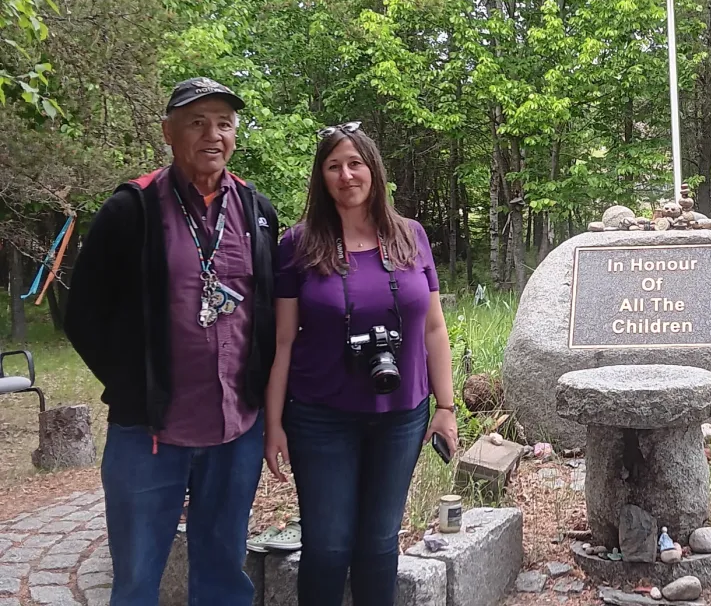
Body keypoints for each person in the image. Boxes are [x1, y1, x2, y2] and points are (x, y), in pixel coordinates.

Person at [65, 77, 279, 606]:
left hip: (236, 430)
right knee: (137, 578)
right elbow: (83, 315)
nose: (213, 134)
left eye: (224, 123)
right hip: (149, 434)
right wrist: (136, 384)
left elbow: (270, 312)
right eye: (197, 122)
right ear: (168, 131)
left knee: (224, 572)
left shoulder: (256, 211)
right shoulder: (130, 211)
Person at [263, 122, 457, 606]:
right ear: (320, 177)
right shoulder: (298, 244)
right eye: (333, 166)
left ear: (374, 170)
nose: (346, 175)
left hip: (402, 415)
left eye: (356, 163)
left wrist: (446, 407)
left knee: (378, 543)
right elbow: (282, 340)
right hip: (319, 416)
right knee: (327, 546)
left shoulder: (411, 237)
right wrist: (273, 424)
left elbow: (434, 329)